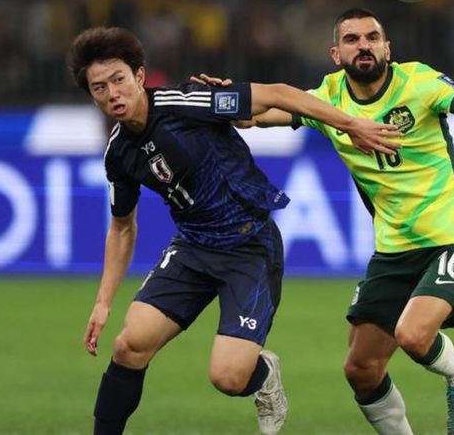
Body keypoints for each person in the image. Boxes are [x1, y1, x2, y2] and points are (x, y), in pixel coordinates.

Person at [198, 7, 454, 435]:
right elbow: (256, 116)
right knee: (361, 369)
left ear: (387, 48)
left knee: (413, 335)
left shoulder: (419, 81)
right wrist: (222, 100)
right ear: (335, 54)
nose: (364, 46)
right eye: (352, 39)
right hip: (393, 250)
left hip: (452, 236)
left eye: (373, 38)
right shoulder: (328, 98)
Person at [67, 25, 400, 435]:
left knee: (228, 377)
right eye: (99, 88)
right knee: (128, 345)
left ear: (139, 75)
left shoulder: (187, 102)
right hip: (193, 247)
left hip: (249, 245)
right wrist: (103, 303)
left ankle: (262, 373)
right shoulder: (118, 153)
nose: (112, 93)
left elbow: (277, 94)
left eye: (118, 79)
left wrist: (350, 125)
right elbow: (122, 227)